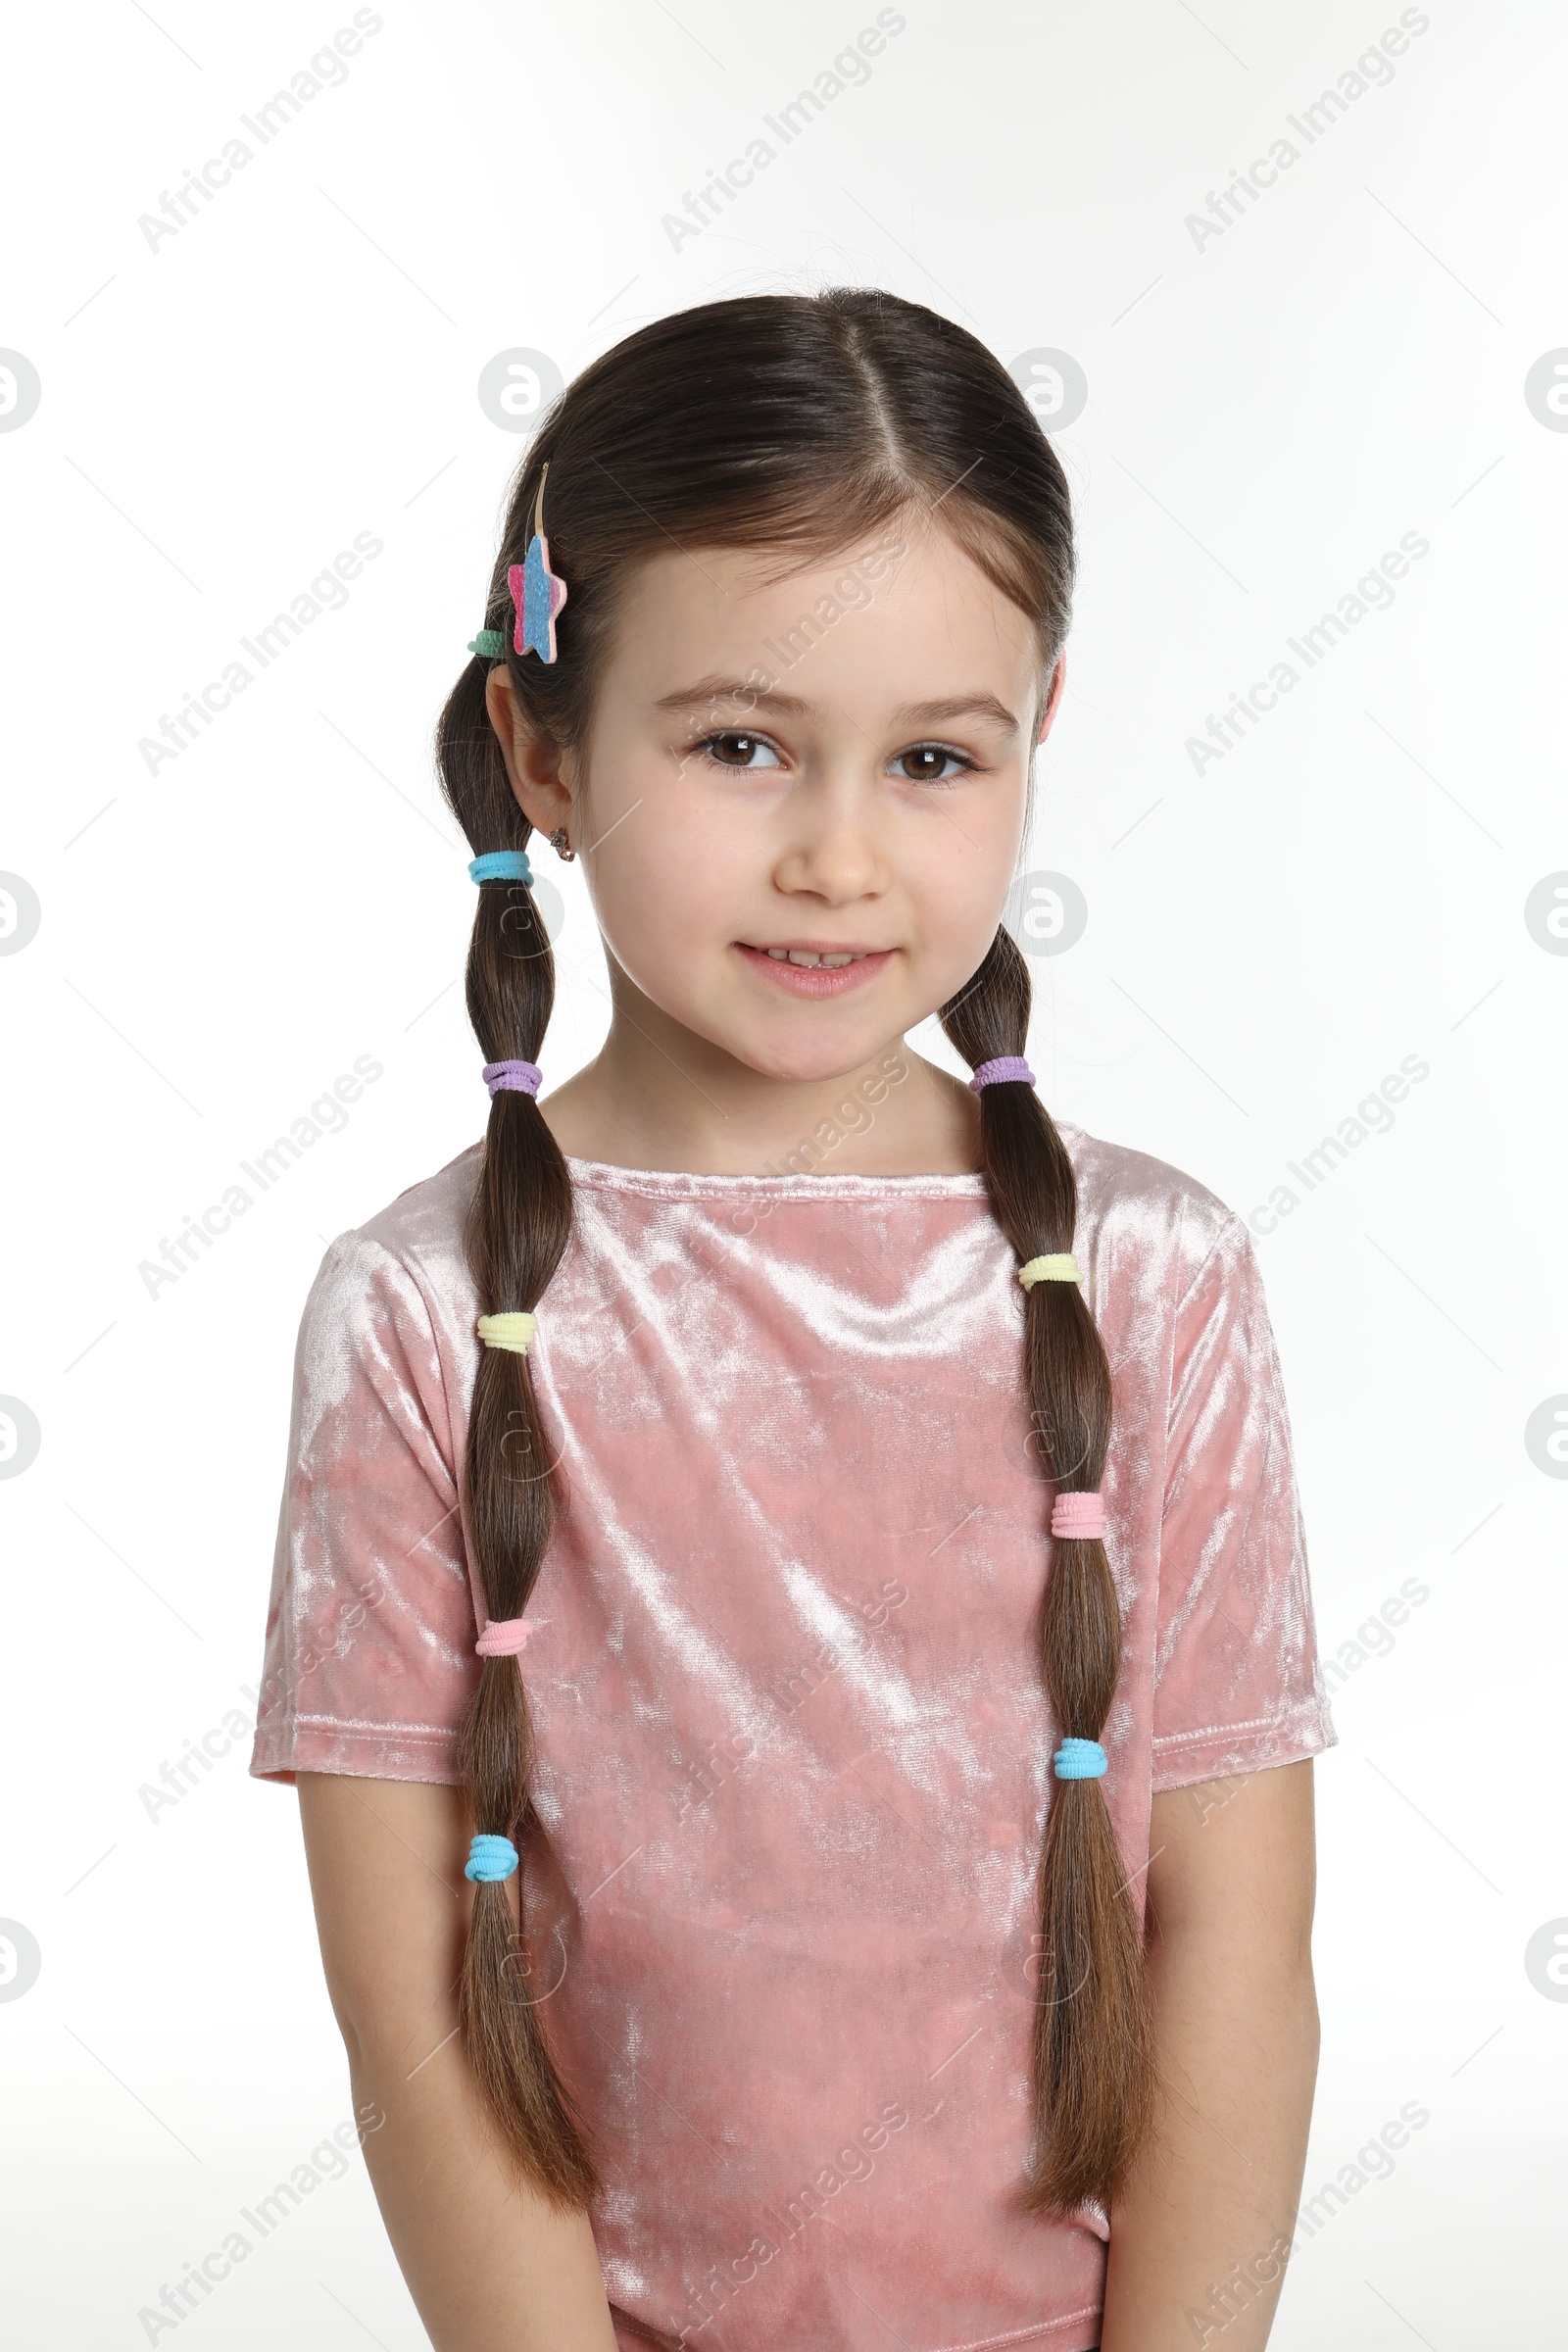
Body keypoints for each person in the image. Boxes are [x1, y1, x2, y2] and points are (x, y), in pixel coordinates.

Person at [249, 287, 1336, 2352]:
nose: (839, 855)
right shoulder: (418, 1318)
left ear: (1036, 734)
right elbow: (412, 2023)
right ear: (541, 746)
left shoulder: (1151, 1285)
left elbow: (1231, 1952)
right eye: (739, 744)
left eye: (932, 756)